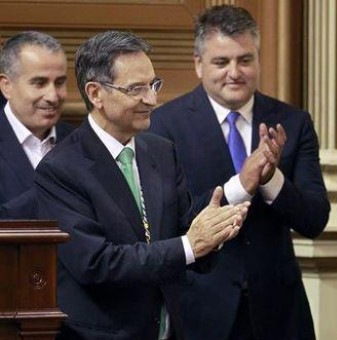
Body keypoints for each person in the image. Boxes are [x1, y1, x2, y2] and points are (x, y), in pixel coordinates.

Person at [35, 31, 249, 340]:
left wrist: (215, 232)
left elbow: (185, 237)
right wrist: (190, 245)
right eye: (137, 88)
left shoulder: (161, 152)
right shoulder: (61, 169)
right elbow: (97, 264)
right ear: (95, 93)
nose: (152, 99)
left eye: (153, 84)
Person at [149, 5, 330, 339]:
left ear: (258, 60)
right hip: (201, 311)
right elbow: (171, 223)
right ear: (198, 65)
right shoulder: (165, 126)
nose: (235, 72)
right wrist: (241, 185)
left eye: (245, 60)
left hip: (279, 312)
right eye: (221, 62)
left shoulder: (292, 122)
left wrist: (271, 179)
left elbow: (315, 219)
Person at [0, 31, 73, 218]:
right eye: (39, 83)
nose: (52, 96)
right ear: (6, 86)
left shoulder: (80, 143)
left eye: (59, 82)